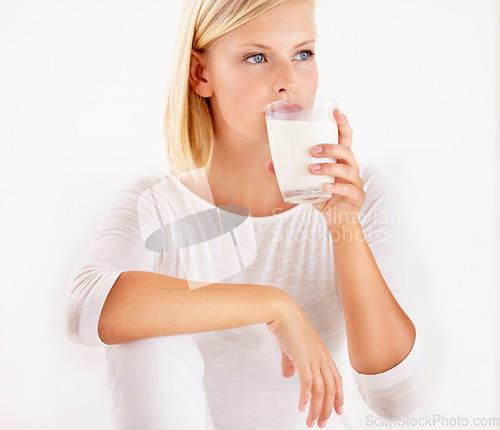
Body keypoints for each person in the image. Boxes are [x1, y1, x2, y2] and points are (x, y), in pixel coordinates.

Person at [63, 0, 427, 429]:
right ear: (202, 74)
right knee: (145, 342)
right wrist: (273, 305)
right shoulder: (157, 202)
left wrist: (343, 221)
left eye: (303, 54)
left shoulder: (358, 192)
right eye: (257, 57)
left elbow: (393, 401)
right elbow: (84, 308)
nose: (289, 81)